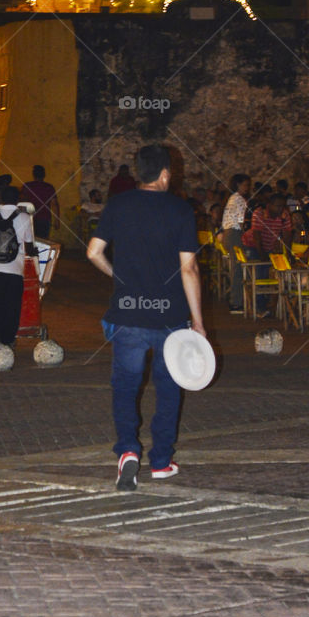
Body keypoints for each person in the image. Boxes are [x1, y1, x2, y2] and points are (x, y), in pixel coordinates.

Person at [87, 144, 204, 491]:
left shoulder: (118, 205)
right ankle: (162, 460)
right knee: (168, 388)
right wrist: (198, 320)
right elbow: (189, 268)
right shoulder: (180, 209)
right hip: (170, 318)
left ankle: (127, 451)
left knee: (125, 386)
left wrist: (117, 276)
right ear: (165, 174)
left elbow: (94, 252)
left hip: (127, 314)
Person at [0, 185, 35, 346]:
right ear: (17, 199)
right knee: (12, 305)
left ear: (1, 199)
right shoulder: (25, 217)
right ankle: (8, 339)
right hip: (15, 270)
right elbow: (29, 247)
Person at [219, 173, 251, 312]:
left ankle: (236, 300)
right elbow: (241, 221)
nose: (247, 188)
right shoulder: (239, 199)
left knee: (235, 267)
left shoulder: (231, 198)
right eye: (245, 185)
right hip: (234, 233)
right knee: (237, 268)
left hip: (228, 233)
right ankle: (236, 302)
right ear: (238, 185)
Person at [21, 164, 60, 241]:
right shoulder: (49, 187)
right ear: (44, 175)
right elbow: (55, 204)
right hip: (45, 218)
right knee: (43, 242)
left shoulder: (27, 186)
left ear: (33, 175)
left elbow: (22, 202)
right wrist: (57, 220)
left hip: (30, 218)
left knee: (29, 241)